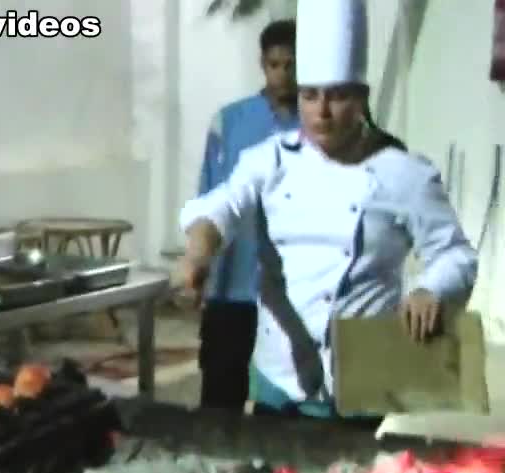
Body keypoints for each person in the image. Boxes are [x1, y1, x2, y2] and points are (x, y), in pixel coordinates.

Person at [172, 0, 478, 421]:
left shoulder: (404, 173)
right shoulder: (269, 160)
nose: (322, 112)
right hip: (280, 378)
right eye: (310, 96)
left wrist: (432, 289)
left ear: (362, 97)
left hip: (368, 375)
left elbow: (456, 254)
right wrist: (196, 256)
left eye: (338, 96)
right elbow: (221, 206)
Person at [196, 19, 301, 412]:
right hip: (232, 284)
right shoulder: (230, 122)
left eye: (291, 65)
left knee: (283, 405)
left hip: (292, 292)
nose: (283, 75)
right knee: (220, 397)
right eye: (275, 65)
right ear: (263, 64)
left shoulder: (318, 125)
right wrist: (200, 266)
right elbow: (209, 198)